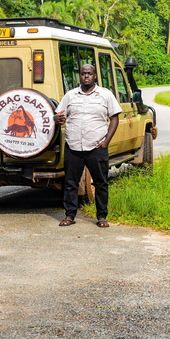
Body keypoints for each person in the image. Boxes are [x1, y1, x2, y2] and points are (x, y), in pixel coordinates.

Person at [54, 64, 122, 228]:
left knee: (100, 183)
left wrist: (106, 142)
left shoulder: (105, 95)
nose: (86, 76)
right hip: (73, 147)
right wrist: (57, 119)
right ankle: (69, 215)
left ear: (95, 76)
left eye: (89, 74)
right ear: (80, 76)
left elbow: (114, 118)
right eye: (83, 74)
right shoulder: (70, 96)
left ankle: (101, 217)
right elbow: (58, 115)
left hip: (96, 147)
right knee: (71, 183)